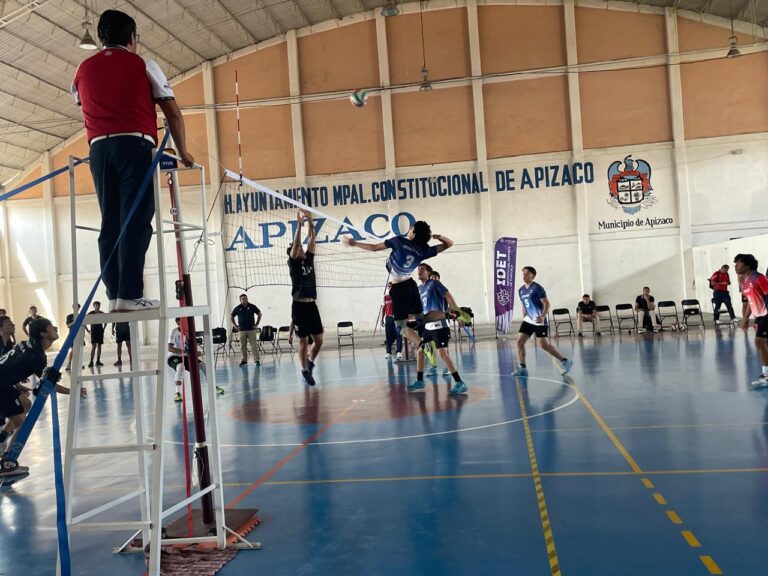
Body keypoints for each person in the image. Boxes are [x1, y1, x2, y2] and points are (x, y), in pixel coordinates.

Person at [72, 9, 194, 313]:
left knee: (110, 222)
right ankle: (129, 293)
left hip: (98, 151)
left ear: (101, 38)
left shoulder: (82, 70)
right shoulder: (144, 65)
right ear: (133, 38)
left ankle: (114, 295)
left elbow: (81, 101)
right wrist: (183, 152)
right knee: (136, 220)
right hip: (133, 146)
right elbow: (173, 114)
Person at [345, 221, 452, 356]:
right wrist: (439, 237)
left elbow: (374, 248)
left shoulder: (399, 242)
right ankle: (450, 314)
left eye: (411, 228)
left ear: (413, 233)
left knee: (401, 326)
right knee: (421, 318)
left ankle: (423, 345)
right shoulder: (424, 250)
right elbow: (449, 244)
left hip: (399, 288)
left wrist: (355, 244)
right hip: (411, 285)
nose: (408, 230)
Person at [0, 318, 86, 477]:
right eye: (52, 327)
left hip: (5, 385)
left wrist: (17, 384)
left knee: (25, 405)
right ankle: (7, 463)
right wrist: (73, 391)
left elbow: (9, 364)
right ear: (43, 334)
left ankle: (4, 439)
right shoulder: (37, 355)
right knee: (23, 426)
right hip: (2, 387)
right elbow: (47, 385)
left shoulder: (28, 345)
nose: (55, 328)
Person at [409, 263, 467, 395]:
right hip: (428, 326)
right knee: (420, 351)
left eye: (421, 269)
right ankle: (419, 380)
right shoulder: (419, 289)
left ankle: (459, 383)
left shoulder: (434, 284)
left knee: (442, 354)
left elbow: (448, 295)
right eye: (418, 269)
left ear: (428, 272)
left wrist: (457, 312)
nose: (418, 271)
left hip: (439, 325)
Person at [512, 266, 572, 376]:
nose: (524, 276)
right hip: (528, 320)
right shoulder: (521, 290)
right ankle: (523, 368)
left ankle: (565, 361)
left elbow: (546, 303)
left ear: (532, 276)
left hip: (539, 319)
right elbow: (524, 305)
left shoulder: (537, 288)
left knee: (543, 345)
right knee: (519, 342)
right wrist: (524, 317)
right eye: (523, 274)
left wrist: (543, 316)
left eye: (526, 273)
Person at [288, 209, 324, 386]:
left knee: (319, 340)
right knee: (302, 341)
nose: (302, 249)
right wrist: (298, 225)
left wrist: (310, 221)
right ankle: (304, 370)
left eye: (302, 249)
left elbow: (312, 239)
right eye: (299, 249)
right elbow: (296, 246)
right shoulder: (293, 262)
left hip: (312, 305)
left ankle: (310, 363)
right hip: (299, 306)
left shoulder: (308, 259)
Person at [733, 254, 768, 388]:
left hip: (766, 314)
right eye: (735, 264)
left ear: (747, 265)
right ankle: (766, 375)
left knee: (760, 342)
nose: (736, 266)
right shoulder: (746, 283)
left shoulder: (759, 278)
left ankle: (766, 375)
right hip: (760, 316)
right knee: (761, 344)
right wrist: (746, 318)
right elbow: (749, 302)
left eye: (738, 263)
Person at [167, 318, 222, 403]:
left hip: (186, 356)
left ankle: (214, 387)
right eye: (181, 323)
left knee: (203, 365)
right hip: (174, 356)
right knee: (180, 366)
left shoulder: (189, 332)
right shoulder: (174, 332)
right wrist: (184, 351)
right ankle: (177, 393)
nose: (184, 325)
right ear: (178, 323)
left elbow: (190, 346)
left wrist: (196, 352)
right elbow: (170, 348)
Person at [231, 294, 262, 367]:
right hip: (242, 330)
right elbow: (231, 316)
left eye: (246, 298)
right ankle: (244, 360)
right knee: (242, 346)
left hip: (251, 329)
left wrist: (257, 324)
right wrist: (235, 326)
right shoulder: (238, 308)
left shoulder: (252, 306)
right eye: (243, 299)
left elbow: (259, 314)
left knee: (254, 345)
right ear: (240, 300)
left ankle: (256, 360)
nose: (245, 300)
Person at [383, 283, 403, 361]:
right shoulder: (385, 297)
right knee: (388, 335)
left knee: (399, 334)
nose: (390, 288)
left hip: (397, 318)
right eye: (389, 287)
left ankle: (399, 352)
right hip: (388, 318)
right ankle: (388, 352)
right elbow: (384, 308)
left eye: (391, 286)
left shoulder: (398, 296)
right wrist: (382, 319)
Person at [65, 304, 84, 371]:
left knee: (80, 349)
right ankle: (69, 364)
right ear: (73, 308)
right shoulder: (69, 316)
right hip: (72, 335)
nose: (77, 308)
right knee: (73, 349)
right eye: (75, 307)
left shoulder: (80, 316)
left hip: (80, 335)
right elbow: (68, 326)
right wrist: (75, 322)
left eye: (78, 307)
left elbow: (83, 325)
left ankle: (79, 364)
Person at [87, 301, 106, 367]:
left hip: (100, 331)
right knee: (94, 346)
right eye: (96, 305)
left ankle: (98, 360)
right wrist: (88, 330)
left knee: (99, 346)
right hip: (94, 331)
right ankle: (91, 361)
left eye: (98, 305)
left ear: (100, 306)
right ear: (94, 306)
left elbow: (106, 320)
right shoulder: (90, 313)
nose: (97, 306)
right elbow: (84, 320)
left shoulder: (102, 313)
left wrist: (104, 328)